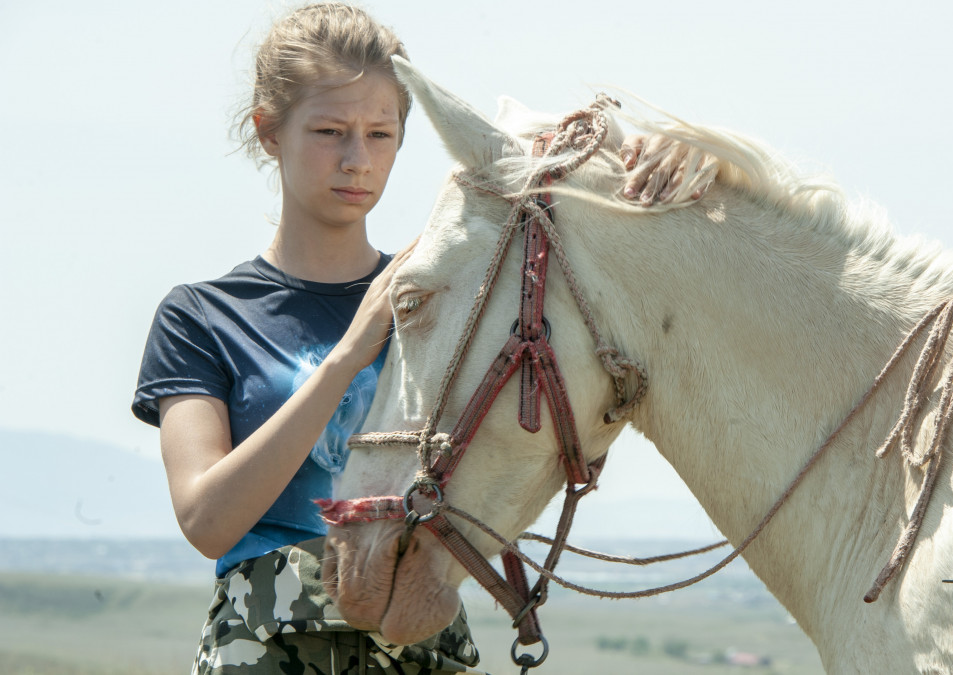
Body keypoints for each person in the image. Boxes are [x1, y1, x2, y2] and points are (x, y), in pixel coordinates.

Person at [131, 3, 714, 674]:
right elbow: (208, 521)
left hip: (423, 644)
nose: (358, 159)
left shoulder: (451, 299)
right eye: (329, 130)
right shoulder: (203, 315)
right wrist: (350, 354)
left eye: (381, 133)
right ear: (268, 132)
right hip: (265, 650)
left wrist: (657, 167)